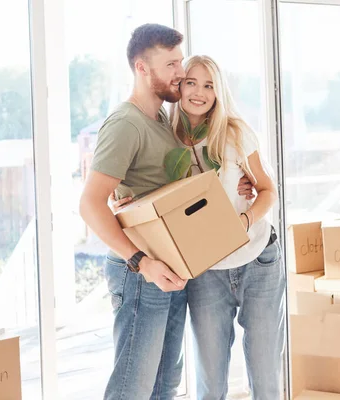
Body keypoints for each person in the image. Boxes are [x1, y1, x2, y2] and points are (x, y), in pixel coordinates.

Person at [112, 55, 286, 399]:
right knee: (210, 384)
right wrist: (124, 203)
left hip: (258, 260)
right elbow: (152, 195)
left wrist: (244, 219)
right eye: (191, 82)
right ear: (179, 86)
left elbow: (267, 191)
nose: (199, 92)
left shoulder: (235, 133)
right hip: (206, 272)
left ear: (218, 92)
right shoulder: (167, 141)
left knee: (266, 379)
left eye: (209, 85)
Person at [79, 23, 188, 400]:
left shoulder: (160, 119)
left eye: (181, 61)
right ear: (142, 68)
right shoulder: (126, 123)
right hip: (141, 272)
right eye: (171, 64)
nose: (181, 72)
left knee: (164, 386)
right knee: (132, 389)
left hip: (170, 268)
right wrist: (142, 261)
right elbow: (90, 204)